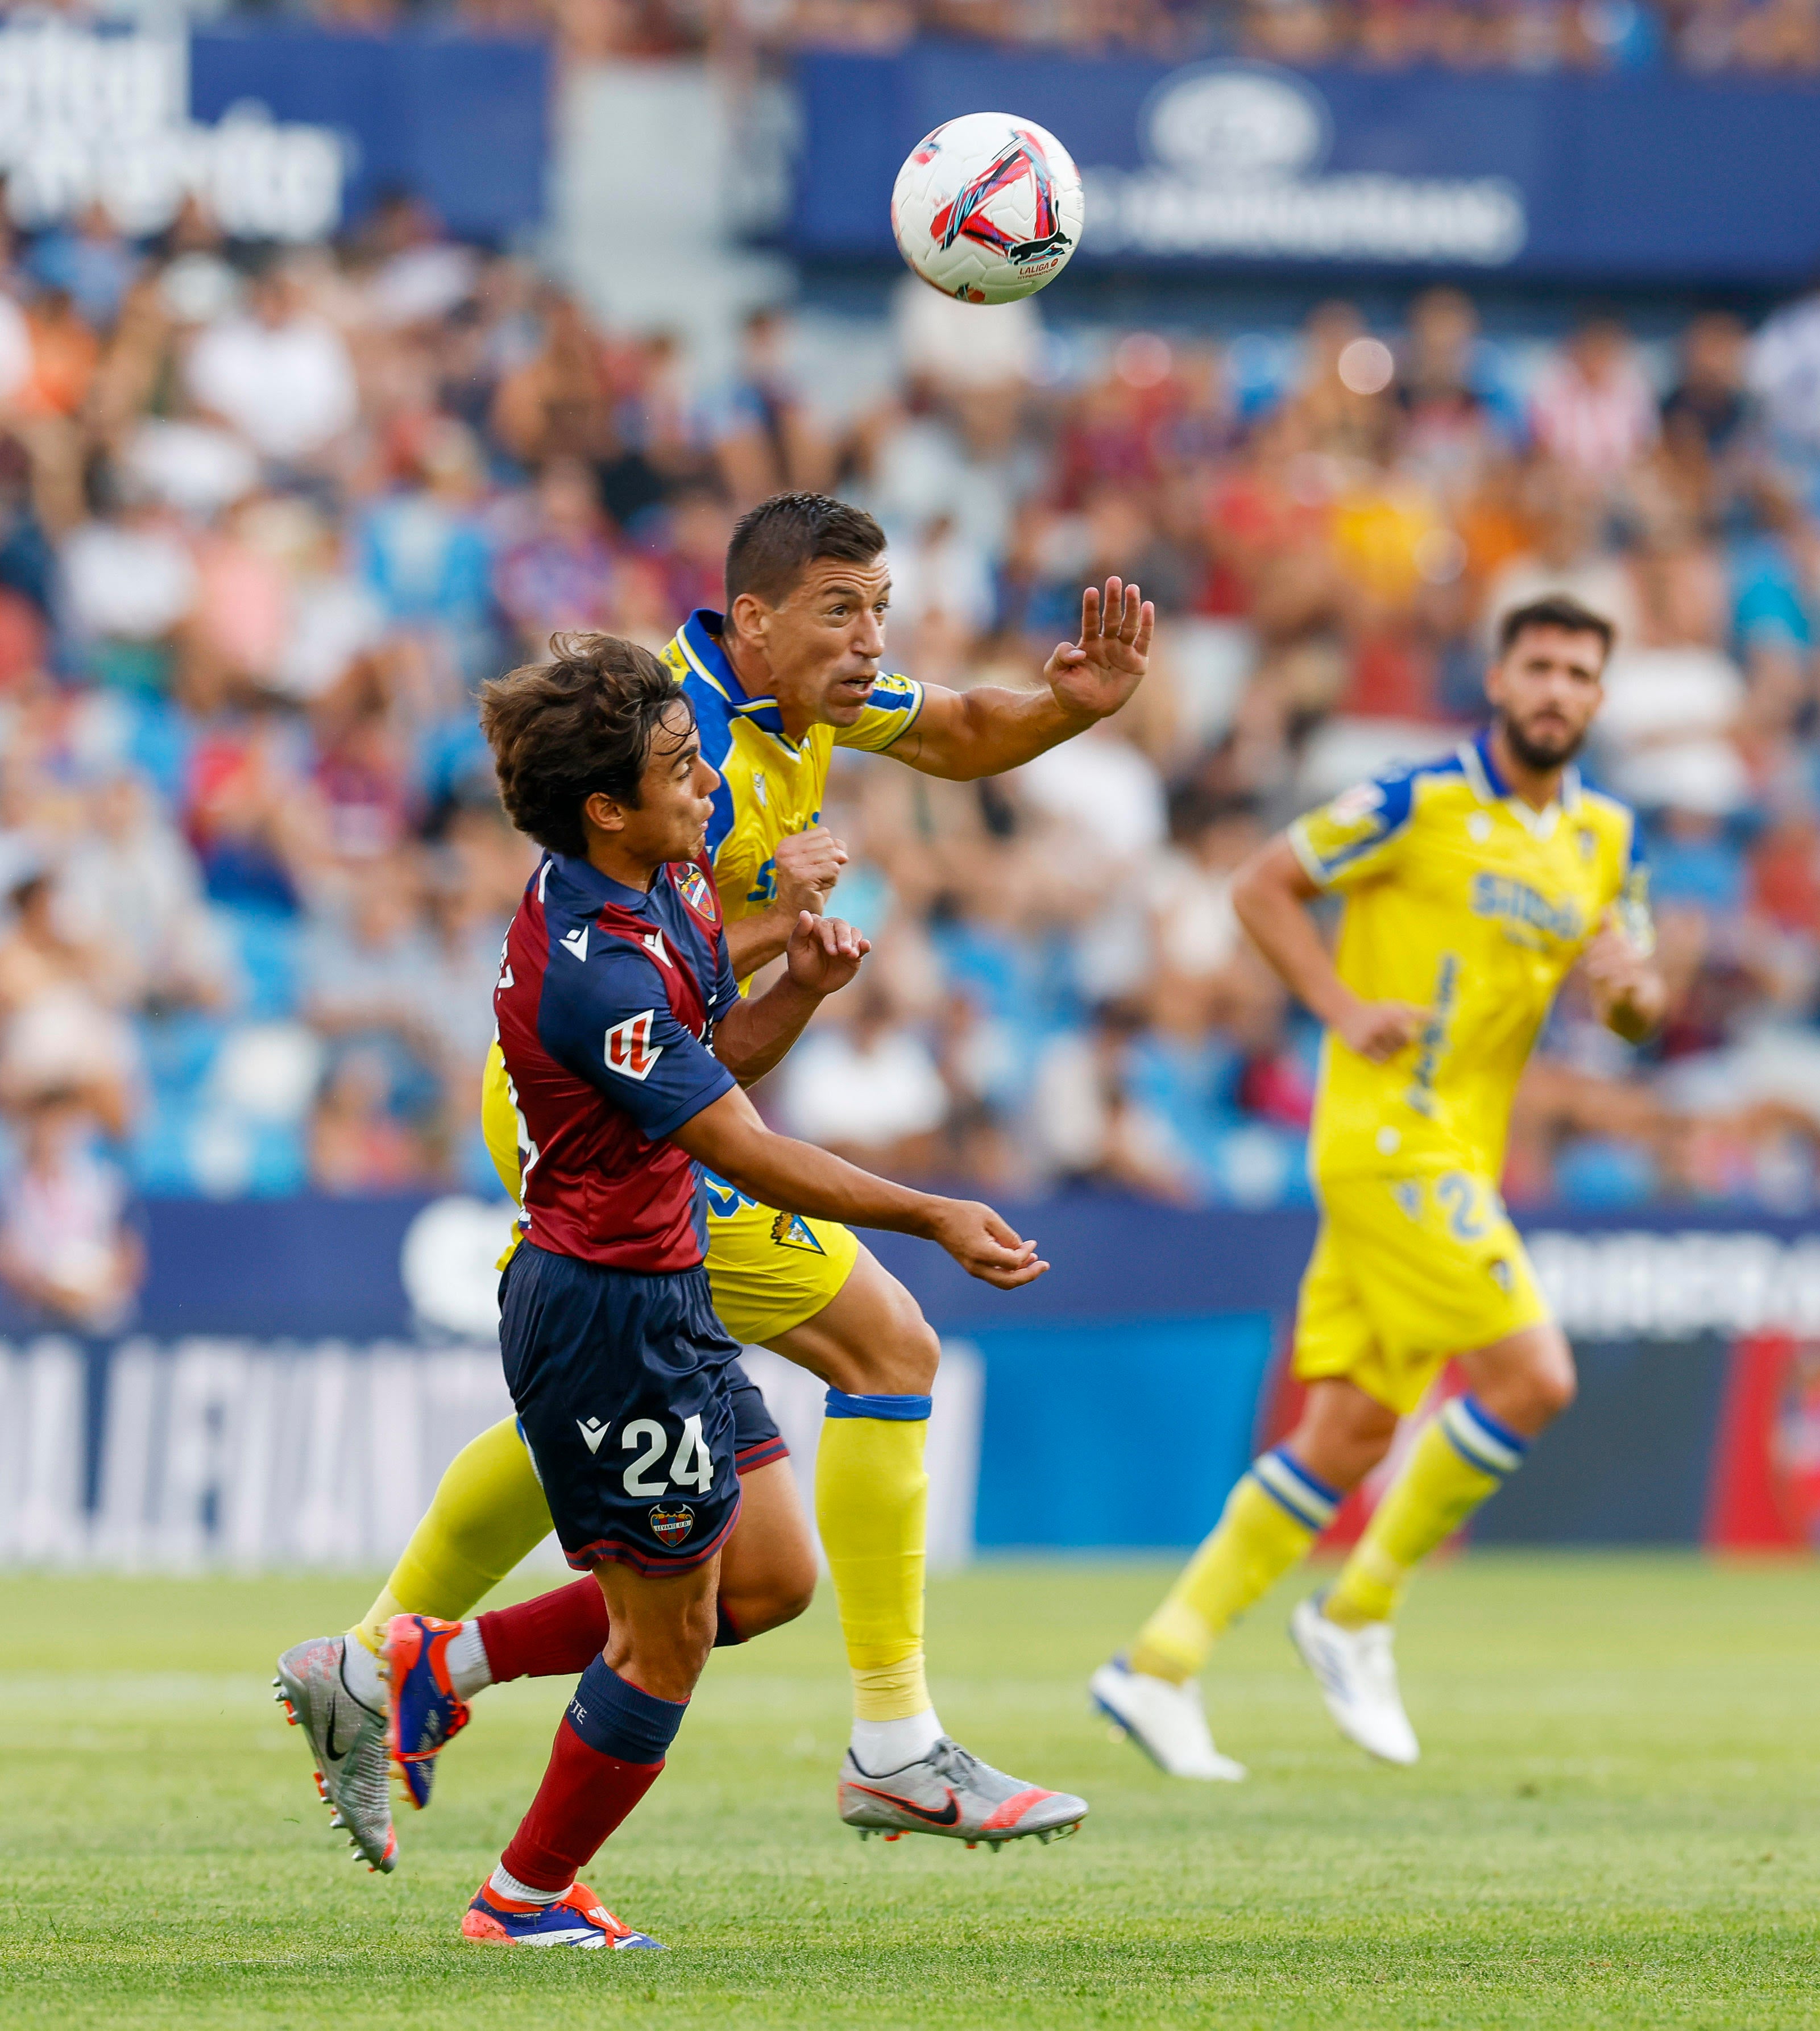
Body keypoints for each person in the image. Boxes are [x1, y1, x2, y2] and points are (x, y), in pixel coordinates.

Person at [276, 492, 1151, 1870]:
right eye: (839, 612)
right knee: (887, 1339)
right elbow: (629, 953)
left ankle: (388, 1662)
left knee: (610, 1434)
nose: (870, 641)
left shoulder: (804, 700)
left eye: (877, 611)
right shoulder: (677, 741)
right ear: (752, 619)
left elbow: (965, 731)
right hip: (611, 1107)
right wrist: (777, 923)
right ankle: (893, 1741)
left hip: (634, 1088)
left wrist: (1075, 710)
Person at [1091, 594, 1665, 1778]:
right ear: (1497, 679)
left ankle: (1156, 1662)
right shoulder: (1415, 801)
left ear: (1597, 699)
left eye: (1578, 673)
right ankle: (1353, 1613)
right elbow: (1259, 883)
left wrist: (1628, 990)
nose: (1556, 688)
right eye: (1538, 665)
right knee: (1532, 1374)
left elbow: (1633, 1004)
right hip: (1386, 1139)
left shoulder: (1607, 838)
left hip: (1460, 1148)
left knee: (1348, 1429)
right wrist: (1343, 1009)